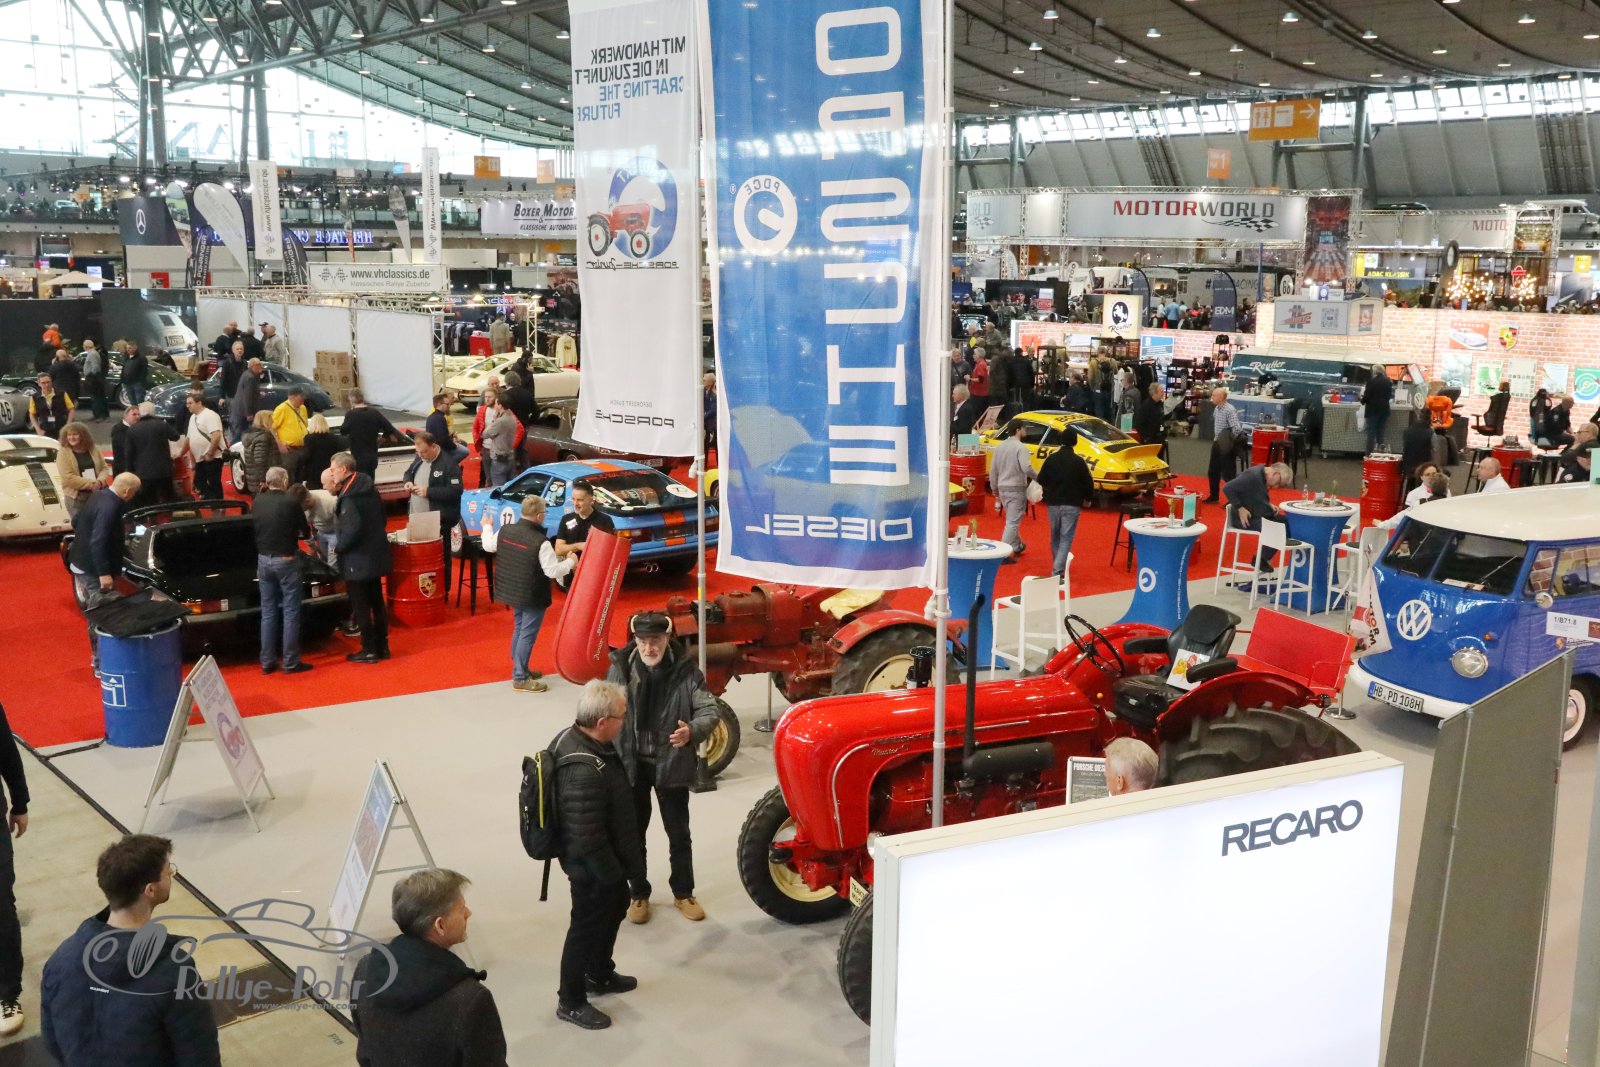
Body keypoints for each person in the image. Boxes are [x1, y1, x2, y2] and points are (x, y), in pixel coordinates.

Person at [41, 834, 220, 1067]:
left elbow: (52, 1040)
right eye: (169, 872)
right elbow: (199, 1056)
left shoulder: (62, 958)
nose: (172, 875)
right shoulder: (173, 973)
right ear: (150, 890)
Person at [608, 612, 720, 925]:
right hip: (631, 766)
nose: (649, 647)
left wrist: (692, 731)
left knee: (679, 834)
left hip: (671, 764)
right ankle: (638, 893)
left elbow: (710, 709)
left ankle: (684, 893)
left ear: (668, 638)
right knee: (633, 835)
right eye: (643, 641)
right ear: (634, 640)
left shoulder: (687, 671)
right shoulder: (619, 668)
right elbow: (602, 709)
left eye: (655, 640)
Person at [551, 680, 645, 1031]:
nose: (625, 721)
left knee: (614, 909)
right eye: (622, 716)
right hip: (591, 868)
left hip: (603, 864)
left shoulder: (583, 740)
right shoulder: (582, 771)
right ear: (602, 722)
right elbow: (587, 837)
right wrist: (612, 875)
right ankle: (571, 1000)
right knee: (585, 929)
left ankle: (599, 973)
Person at [351, 868, 506, 1066]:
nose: (469, 913)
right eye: (462, 909)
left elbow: (365, 1054)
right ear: (440, 925)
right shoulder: (470, 1000)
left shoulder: (364, 969)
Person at [482, 496, 573, 693]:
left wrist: (487, 526)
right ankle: (520, 677)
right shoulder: (541, 542)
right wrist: (571, 562)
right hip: (533, 594)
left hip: (512, 590)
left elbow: (488, 546)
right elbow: (552, 571)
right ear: (539, 516)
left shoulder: (506, 530)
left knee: (519, 628)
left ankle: (520, 668)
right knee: (527, 634)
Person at [69, 473, 139, 670]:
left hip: (81, 562)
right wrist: (104, 573)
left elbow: (76, 521)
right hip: (93, 569)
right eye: (134, 493)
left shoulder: (99, 495)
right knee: (102, 614)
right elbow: (98, 540)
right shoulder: (110, 506)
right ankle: (101, 663)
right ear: (127, 491)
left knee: (99, 612)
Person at [332, 451, 392, 663]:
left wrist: (339, 547)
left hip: (357, 560)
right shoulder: (369, 488)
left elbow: (351, 529)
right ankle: (382, 646)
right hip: (375, 554)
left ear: (343, 469)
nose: (332, 474)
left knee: (361, 606)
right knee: (377, 602)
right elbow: (383, 517)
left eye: (333, 470)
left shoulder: (349, 496)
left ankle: (368, 649)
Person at [253, 467, 313, 676]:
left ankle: (267, 661)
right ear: (285, 481)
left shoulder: (257, 501)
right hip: (286, 560)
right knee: (290, 612)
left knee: (268, 612)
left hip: (263, 559)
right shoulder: (290, 502)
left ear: (268, 481)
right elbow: (305, 530)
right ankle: (290, 661)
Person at [403, 431, 463, 592]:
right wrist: (408, 482)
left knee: (441, 558)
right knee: (420, 557)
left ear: (434, 446)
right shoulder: (419, 458)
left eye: (423, 452)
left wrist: (428, 492)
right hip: (417, 518)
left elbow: (456, 491)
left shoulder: (449, 464)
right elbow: (408, 472)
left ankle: (443, 590)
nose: (420, 455)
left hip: (439, 521)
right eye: (417, 452)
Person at [1035, 426, 1093, 579]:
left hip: (1053, 503)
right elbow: (1088, 483)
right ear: (1075, 442)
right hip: (1072, 504)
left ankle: (1058, 566)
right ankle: (1057, 570)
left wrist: (1051, 488)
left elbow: (1041, 479)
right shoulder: (1079, 462)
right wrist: (1087, 499)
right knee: (1066, 537)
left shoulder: (1051, 459)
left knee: (1055, 536)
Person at [1223, 461, 1292, 575]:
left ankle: (1262, 558)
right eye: (1279, 483)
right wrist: (1240, 508)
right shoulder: (1252, 476)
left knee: (1284, 521)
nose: (1276, 487)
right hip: (1244, 519)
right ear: (1275, 474)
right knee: (1277, 529)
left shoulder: (1262, 476)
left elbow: (1254, 494)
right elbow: (1227, 488)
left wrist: (1268, 505)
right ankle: (1262, 558)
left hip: (1254, 514)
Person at [554, 482, 615, 590]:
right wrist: (579, 546)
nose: (575, 503)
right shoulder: (566, 519)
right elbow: (558, 550)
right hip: (571, 579)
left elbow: (609, 552)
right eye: (573, 499)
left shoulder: (604, 521)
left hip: (595, 578)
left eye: (580, 500)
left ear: (591, 499)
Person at [988, 421, 1034, 562]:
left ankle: (1017, 545)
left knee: (1011, 519)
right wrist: (1040, 478)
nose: (1026, 430)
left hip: (1002, 488)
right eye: (1024, 428)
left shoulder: (1000, 447)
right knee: (1012, 523)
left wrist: (994, 488)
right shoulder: (1021, 448)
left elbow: (993, 470)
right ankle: (1002, 554)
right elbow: (1026, 468)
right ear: (1018, 430)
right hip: (1016, 488)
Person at [125, 402, 179, 510]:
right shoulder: (162, 424)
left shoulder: (133, 429)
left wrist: (130, 471)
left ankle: (151, 518)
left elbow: (129, 453)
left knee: (149, 501)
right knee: (169, 497)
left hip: (144, 472)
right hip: (163, 470)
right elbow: (175, 436)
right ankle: (170, 516)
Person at [341, 389, 402, 478]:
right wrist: (382, 439)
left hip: (358, 456)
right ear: (362, 398)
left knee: (360, 481)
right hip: (372, 455)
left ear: (351, 400)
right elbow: (389, 428)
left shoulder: (351, 414)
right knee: (370, 480)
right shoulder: (374, 412)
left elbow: (343, 431)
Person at [57, 422, 109, 520]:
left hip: (97, 494)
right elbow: (68, 478)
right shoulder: (63, 453)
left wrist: (100, 481)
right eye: (69, 435)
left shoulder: (93, 449)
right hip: (77, 499)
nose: (71, 437)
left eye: (75, 434)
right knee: (81, 526)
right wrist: (93, 484)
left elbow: (104, 468)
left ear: (83, 435)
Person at [182, 389, 225, 500]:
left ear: (199, 403)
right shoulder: (193, 417)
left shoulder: (210, 415)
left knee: (214, 482)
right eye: (187, 403)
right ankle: (211, 500)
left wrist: (210, 453)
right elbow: (188, 438)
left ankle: (218, 504)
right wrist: (181, 453)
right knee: (199, 482)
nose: (187, 406)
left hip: (213, 457)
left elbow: (216, 436)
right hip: (201, 458)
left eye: (190, 403)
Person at [1205, 387, 1243, 503]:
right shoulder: (1217, 408)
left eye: (1214, 395)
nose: (1212, 397)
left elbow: (1237, 429)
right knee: (1213, 471)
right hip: (1217, 442)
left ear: (1221, 397)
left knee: (1228, 473)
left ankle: (1233, 499)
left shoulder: (1229, 410)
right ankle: (1214, 496)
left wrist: (1229, 442)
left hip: (1226, 445)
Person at [270, 386, 311, 483]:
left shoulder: (303, 408)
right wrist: (280, 444)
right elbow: (271, 428)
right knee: (289, 475)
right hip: (289, 449)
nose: (303, 398)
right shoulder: (281, 409)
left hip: (302, 447)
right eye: (301, 396)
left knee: (301, 474)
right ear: (292, 397)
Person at [479, 395, 521, 488]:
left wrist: (493, 421)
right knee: (510, 486)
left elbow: (485, 434)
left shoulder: (500, 421)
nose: (495, 405)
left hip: (499, 458)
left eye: (496, 403)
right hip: (510, 457)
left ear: (500, 405)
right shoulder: (513, 418)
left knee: (498, 487)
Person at [299, 412, 347, 489]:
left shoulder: (309, 439)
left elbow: (305, 456)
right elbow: (338, 454)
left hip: (313, 473)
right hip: (329, 471)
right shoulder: (333, 438)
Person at [230, 354, 264, 441]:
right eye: (259, 365)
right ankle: (232, 447)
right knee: (241, 433)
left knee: (242, 432)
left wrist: (258, 393)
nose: (261, 367)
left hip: (241, 410)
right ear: (253, 366)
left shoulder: (247, 374)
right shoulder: (250, 377)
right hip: (244, 412)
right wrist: (249, 413)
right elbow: (247, 396)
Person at [29, 373, 73, 438]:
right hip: (45, 429)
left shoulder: (62, 394)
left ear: (51, 382)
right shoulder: (34, 397)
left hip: (62, 427)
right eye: (43, 383)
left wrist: (68, 424)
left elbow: (71, 409)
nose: (46, 385)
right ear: (39, 384)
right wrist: (38, 430)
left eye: (48, 382)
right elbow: (32, 414)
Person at [1361, 366, 1393, 454]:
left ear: (1374, 372)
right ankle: (1379, 455)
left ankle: (1369, 454)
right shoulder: (1388, 382)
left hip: (1372, 411)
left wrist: (1362, 401)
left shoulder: (1371, 382)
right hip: (1384, 411)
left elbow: (1366, 396)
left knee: (1371, 433)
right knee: (1381, 432)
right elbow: (1389, 396)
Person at [1134, 382, 1167, 457]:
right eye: (1161, 391)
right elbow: (1139, 424)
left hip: (1160, 438)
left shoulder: (1160, 404)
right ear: (1155, 393)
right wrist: (1146, 438)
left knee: (1160, 459)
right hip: (1150, 440)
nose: (1163, 393)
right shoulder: (1146, 406)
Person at [79, 339, 108, 422]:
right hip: (94, 378)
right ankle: (97, 415)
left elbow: (95, 367)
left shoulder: (92, 354)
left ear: (86, 346)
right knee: (95, 398)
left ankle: (101, 416)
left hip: (94, 379)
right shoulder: (93, 353)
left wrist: (91, 376)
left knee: (97, 398)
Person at [111, 404, 139, 476]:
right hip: (123, 469)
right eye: (134, 414)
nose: (137, 417)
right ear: (126, 416)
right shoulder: (118, 429)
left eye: (139, 414)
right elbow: (125, 446)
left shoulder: (136, 428)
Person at [121, 342, 149, 408]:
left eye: (130, 348)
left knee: (139, 402)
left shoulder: (141, 358)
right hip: (127, 383)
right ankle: (135, 413)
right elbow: (123, 369)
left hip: (137, 384)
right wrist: (122, 379)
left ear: (135, 348)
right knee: (132, 402)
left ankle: (140, 413)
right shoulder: (126, 358)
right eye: (127, 348)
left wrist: (140, 381)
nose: (128, 350)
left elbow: (144, 371)